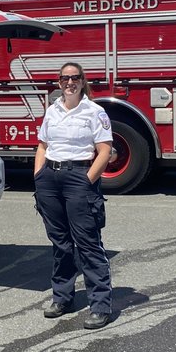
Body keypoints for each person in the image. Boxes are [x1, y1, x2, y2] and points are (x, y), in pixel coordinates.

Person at [33, 62, 115, 329]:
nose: (70, 82)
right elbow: (43, 145)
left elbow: (104, 151)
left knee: (88, 242)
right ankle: (63, 298)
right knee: (60, 243)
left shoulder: (95, 111)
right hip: (50, 179)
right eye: (65, 78)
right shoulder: (52, 110)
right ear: (59, 82)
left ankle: (101, 305)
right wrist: (39, 176)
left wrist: (87, 180)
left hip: (78, 177)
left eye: (75, 78)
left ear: (82, 81)